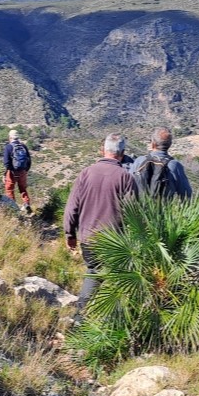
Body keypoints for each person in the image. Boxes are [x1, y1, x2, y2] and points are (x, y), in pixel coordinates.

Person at [64, 133, 138, 311]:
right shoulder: (126, 178)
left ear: (102, 150)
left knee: (93, 272)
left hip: (88, 239)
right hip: (113, 241)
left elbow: (72, 207)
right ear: (122, 153)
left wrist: (70, 234)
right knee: (117, 280)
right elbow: (133, 214)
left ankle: (80, 317)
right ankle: (115, 322)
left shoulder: (86, 173)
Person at [130, 126, 192, 199]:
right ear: (170, 145)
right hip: (164, 209)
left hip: (138, 208)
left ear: (153, 143)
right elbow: (186, 194)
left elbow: (127, 185)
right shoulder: (175, 166)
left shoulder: (139, 161)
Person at [3, 129, 32, 213]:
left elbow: (6, 163)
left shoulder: (9, 147)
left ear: (10, 137)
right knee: (23, 189)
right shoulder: (23, 146)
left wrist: (8, 172)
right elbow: (29, 160)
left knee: (9, 189)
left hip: (12, 172)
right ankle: (26, 204)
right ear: (17, 137)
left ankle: (13, 208)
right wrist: (25, 170)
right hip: (23, 171)